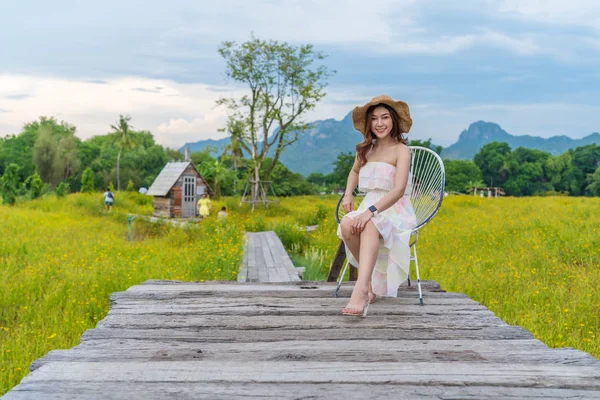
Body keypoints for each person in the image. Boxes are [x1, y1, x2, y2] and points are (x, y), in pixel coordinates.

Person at [337, 95, 417, 317]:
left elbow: (399, 189)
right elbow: (354, 171)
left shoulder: (401, 150)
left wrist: (370, 212)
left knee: (369, 223)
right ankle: (369, 284)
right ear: (369, 124)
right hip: (370, 204)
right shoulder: (366, 150)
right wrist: (347, 194)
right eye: (374, 119)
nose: (380, 123)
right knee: (346, 223)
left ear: (393, 120)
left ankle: (361, 290)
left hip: (394, 208)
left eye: (384, 117)